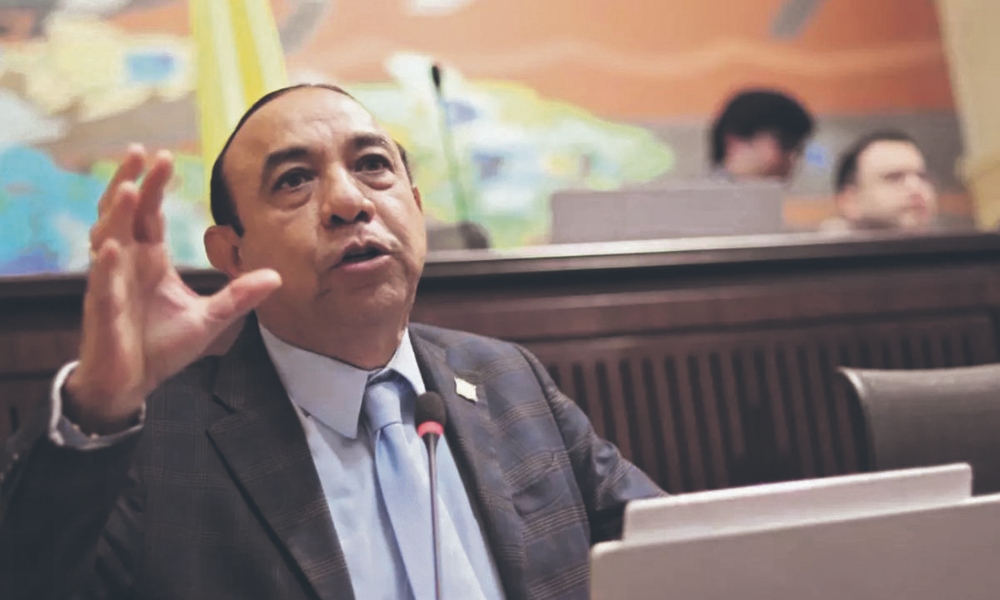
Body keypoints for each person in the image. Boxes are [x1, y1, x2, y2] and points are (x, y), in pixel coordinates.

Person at [0, 84, 663, 600]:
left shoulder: (506, 379)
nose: (349, 202)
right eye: (294, 180)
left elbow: (671, 549)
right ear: (232, 253)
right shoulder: (160, 440)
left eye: (373, 166)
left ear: (416, 207)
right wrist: (97, 402)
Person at [821, 130, 938, 233]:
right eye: (894, 177)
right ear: (849, 200)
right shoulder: (823, 249)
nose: (916, 187)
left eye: (923, 177)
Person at [708, 88, 815, 182]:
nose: (791, 160)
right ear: (733, 142)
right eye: (785, 144)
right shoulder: (704, 198)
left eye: (798, 149)